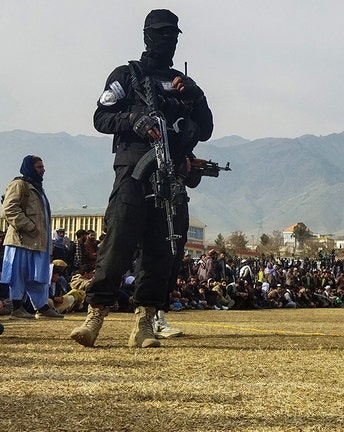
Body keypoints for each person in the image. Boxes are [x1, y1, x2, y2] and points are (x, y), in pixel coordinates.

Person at [71, 9, 213, 348]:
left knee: (164, 250)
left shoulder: (183, 84)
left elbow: (205, 129)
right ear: (147, 35)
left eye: (174, 35)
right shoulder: (126, 75)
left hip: (172, 176)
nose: (169, 40)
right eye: (162, 34)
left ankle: (146, 321)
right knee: (118, 241)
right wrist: (133, 119)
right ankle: (95, 316)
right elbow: (101, 115)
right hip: (133, 171)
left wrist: (195, 96)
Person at [1, 155, 64, 319]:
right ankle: (17, 308)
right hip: (20, 241)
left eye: (43, 167)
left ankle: (42, 308)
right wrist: (29, 226)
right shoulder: (19, 185)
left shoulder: (37, 189)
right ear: (29, 168)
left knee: (38, 276)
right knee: (18, 275)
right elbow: (9, 209)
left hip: (37, 242)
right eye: (39, 167)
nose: (43, 170)